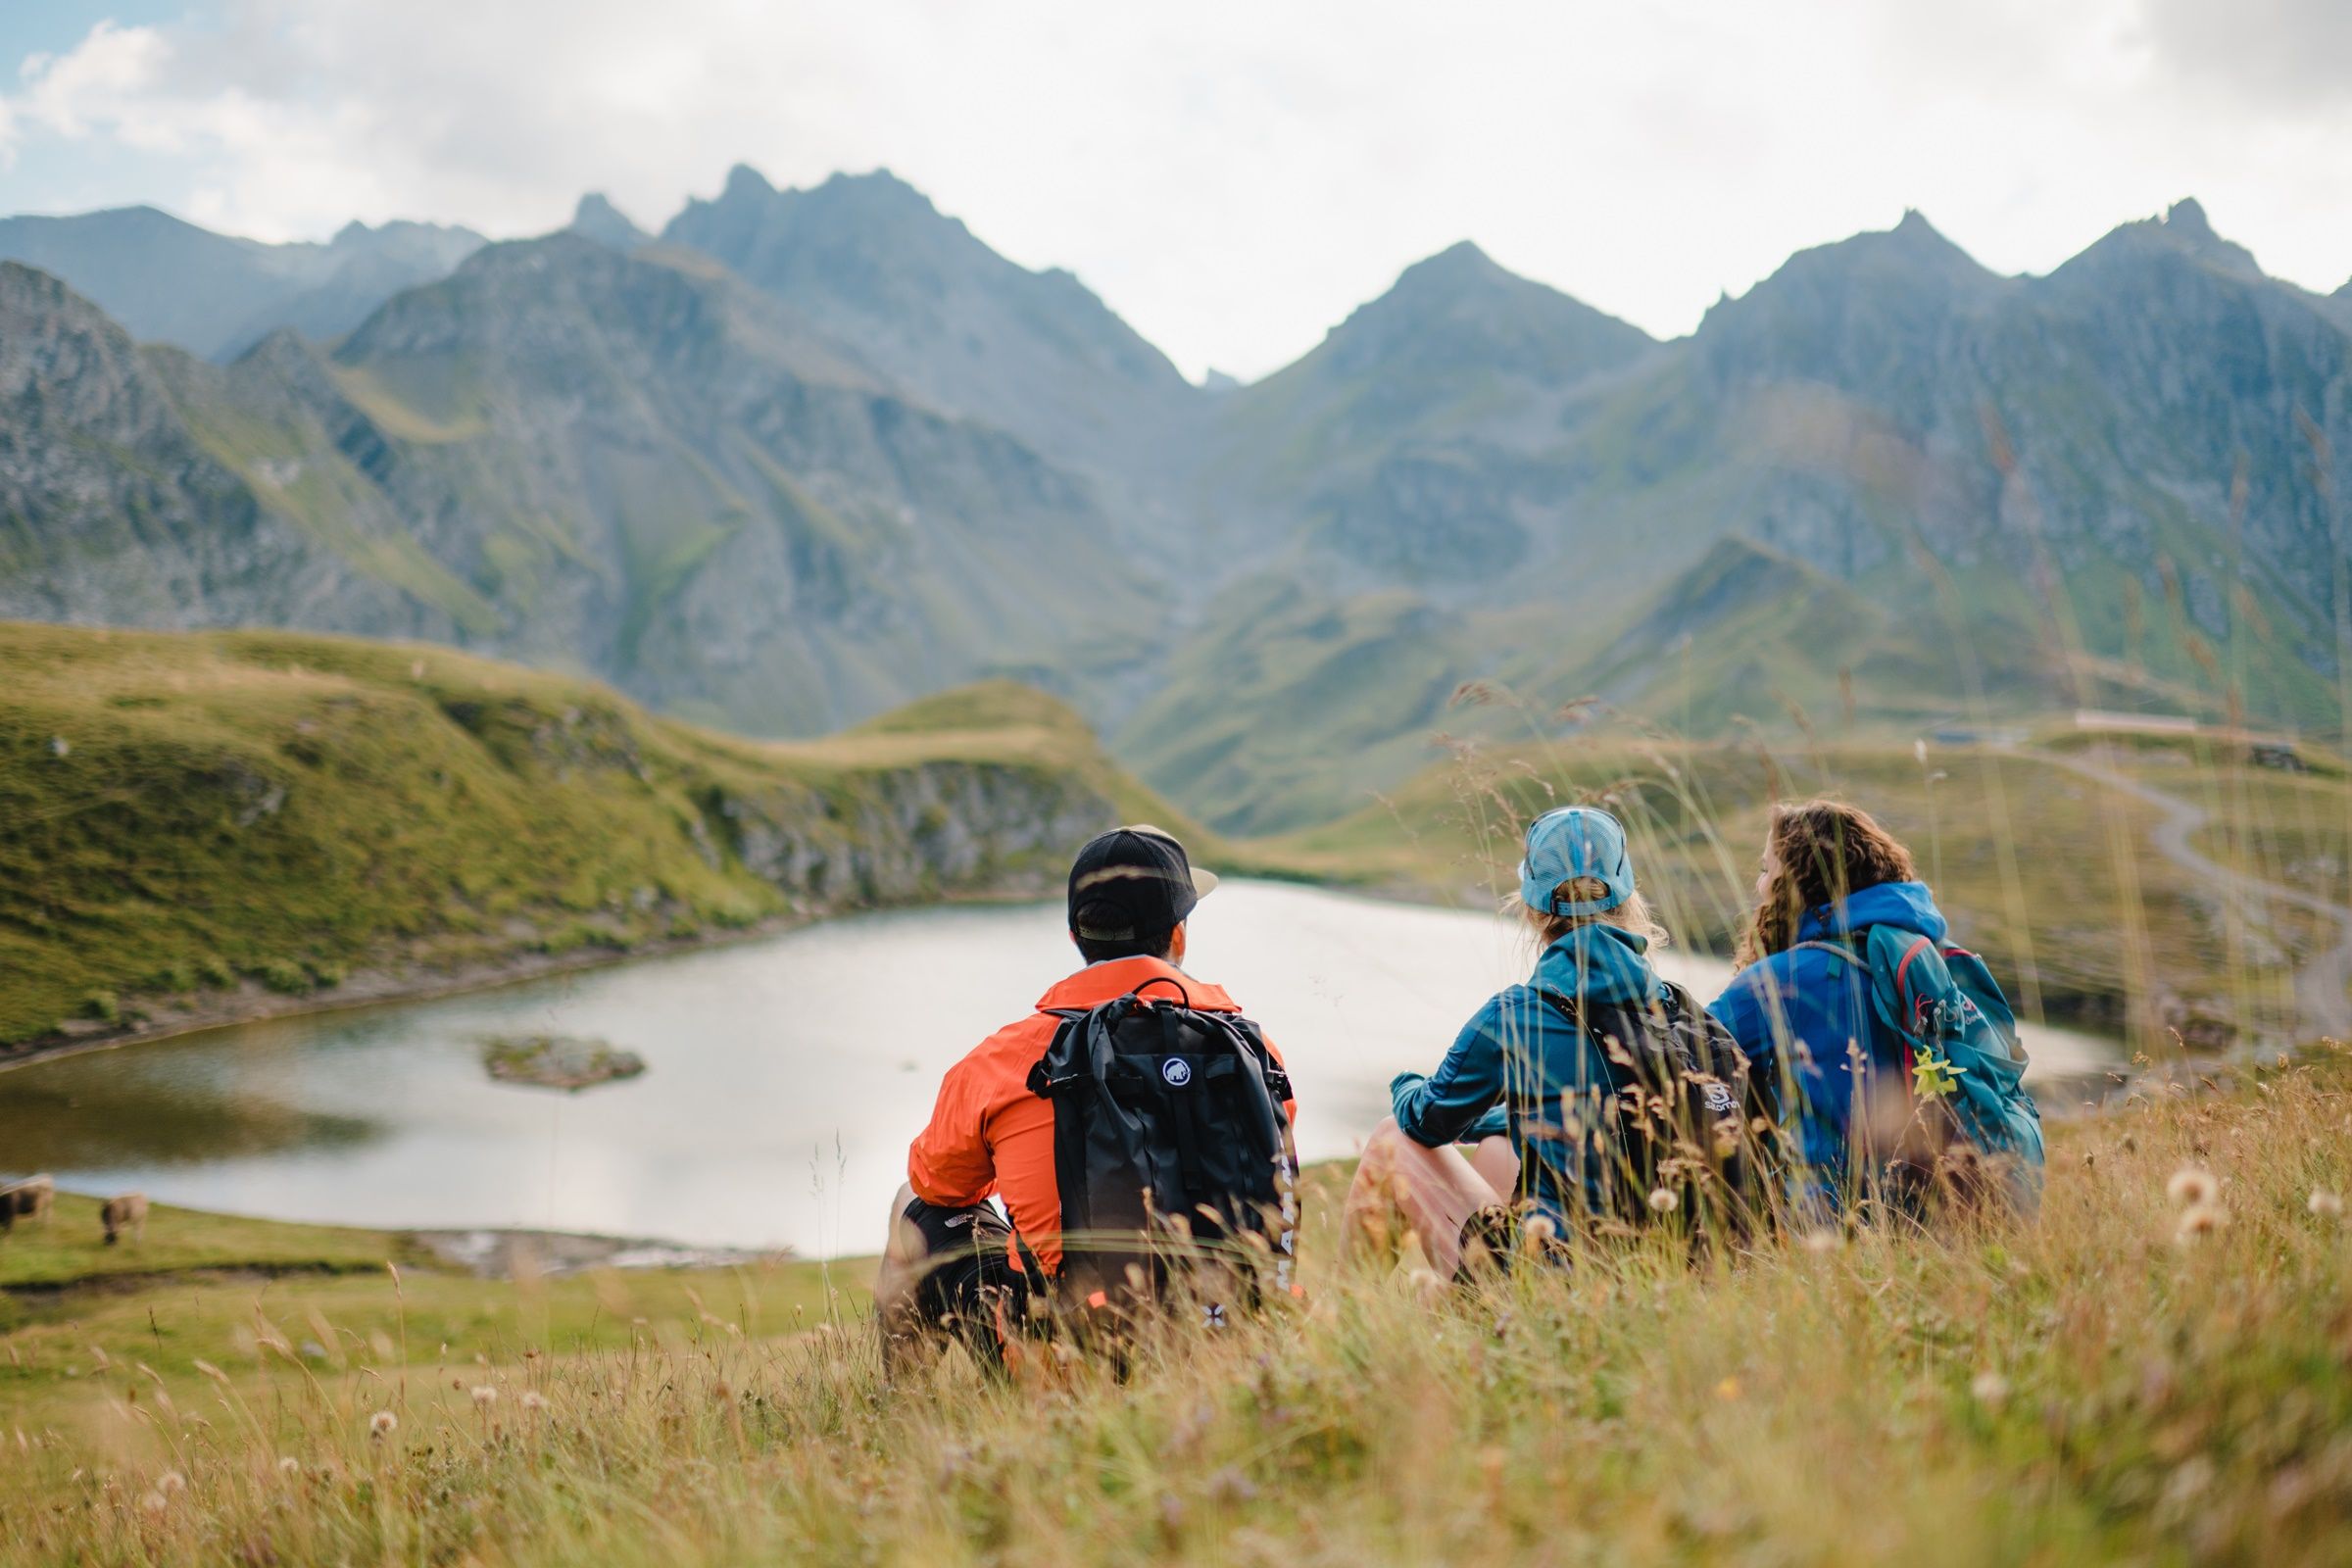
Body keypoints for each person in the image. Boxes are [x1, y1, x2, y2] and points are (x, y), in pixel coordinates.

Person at [877, 824, 1294, 1369]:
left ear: (1076, 937)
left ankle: (904, 1406)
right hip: (1232, 1339)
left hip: (1065, 1353)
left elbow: (941, 1185)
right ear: (1179, 936)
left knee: (912, 1202)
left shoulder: (1006, 1058)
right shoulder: (1251, 1051)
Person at [1342, 806, 1753, 1278]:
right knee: (1499, 1145)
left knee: (1390, 1136)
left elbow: (1428, 1122)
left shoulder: (1516, 1015)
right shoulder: (1682, 1011)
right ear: (1628, 897)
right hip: (1680, 1280)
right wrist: (1508, 1118)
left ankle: (1340, 1325)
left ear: (1534, 909)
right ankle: (1449, 1322)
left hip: (1559, 1282)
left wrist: (1404, 1085)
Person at [1708, 799, 2043, 1217]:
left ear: (1793, 883)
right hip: (1958, 1210)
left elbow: (1686, 1051)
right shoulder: (1938, 958)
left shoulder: (1783, 980)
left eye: (1765, 870)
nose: (1758, 885)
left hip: (1840, 1225)